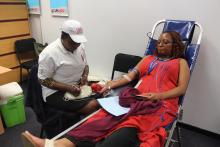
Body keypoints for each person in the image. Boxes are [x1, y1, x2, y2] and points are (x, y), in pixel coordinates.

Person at [21, 31, 190, 147]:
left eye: (165, 42)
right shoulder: (148, 58)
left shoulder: (181, 63)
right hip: (135, 99)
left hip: (160, 105)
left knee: (126, 128)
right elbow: (129, 77)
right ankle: (54, 144)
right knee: (101, 118)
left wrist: (158, 96)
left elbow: (181, 89)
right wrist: (110, 84)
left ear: (175, 45)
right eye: (159, 41)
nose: (160, 44)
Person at [37, 19, 99, 116]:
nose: (76, 46)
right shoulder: (49, 54)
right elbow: (43, 80)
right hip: (54, 92)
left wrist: (85, 76)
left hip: (76, 86)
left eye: (78, 42)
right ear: (63, 36)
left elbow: (85, 65)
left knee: (102, 94)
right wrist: (68, 88)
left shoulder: (80, 47)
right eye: (72, 43)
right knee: (92, 105)